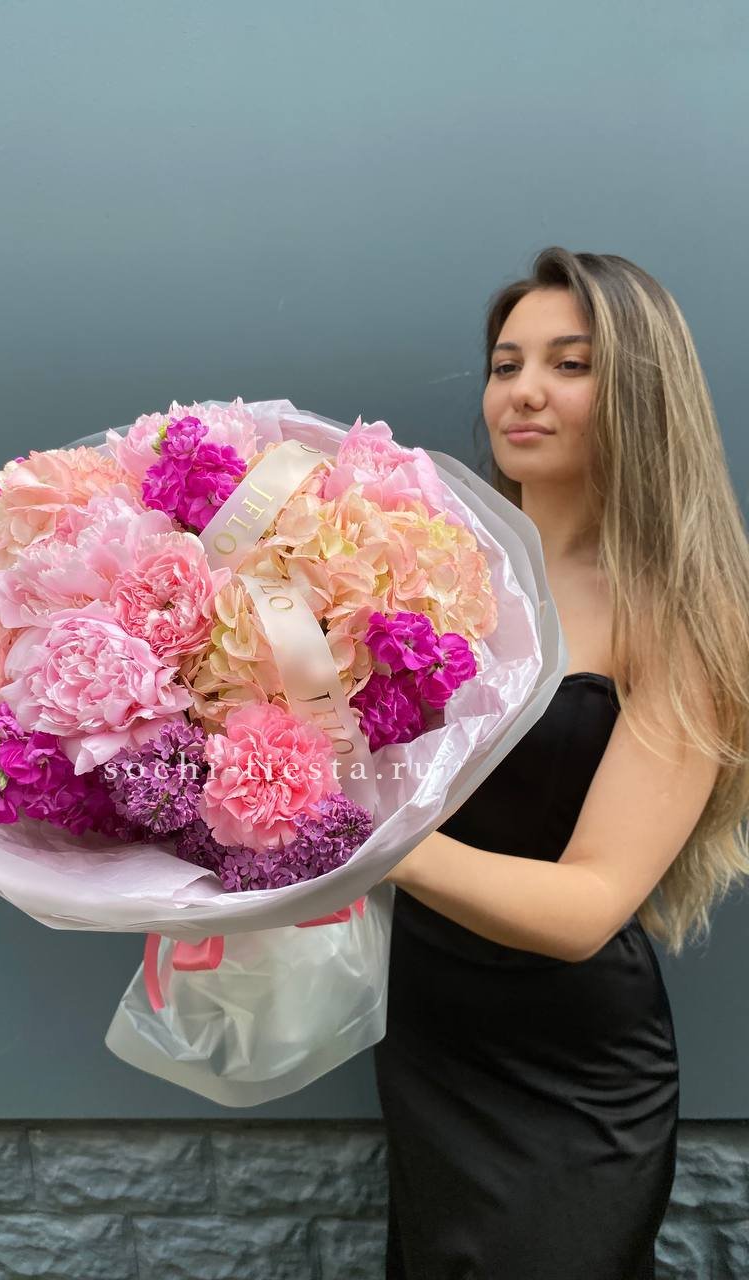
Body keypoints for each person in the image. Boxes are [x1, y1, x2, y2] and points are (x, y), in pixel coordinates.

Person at [373, 246, 749, 1279]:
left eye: (570, 364)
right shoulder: (416, 572)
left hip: (575, 1076)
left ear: (642, 395)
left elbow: (589, 905)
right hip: (427, 1032)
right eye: (506, 365)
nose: (524, 391)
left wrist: (362, 838)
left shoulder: (681, 615)